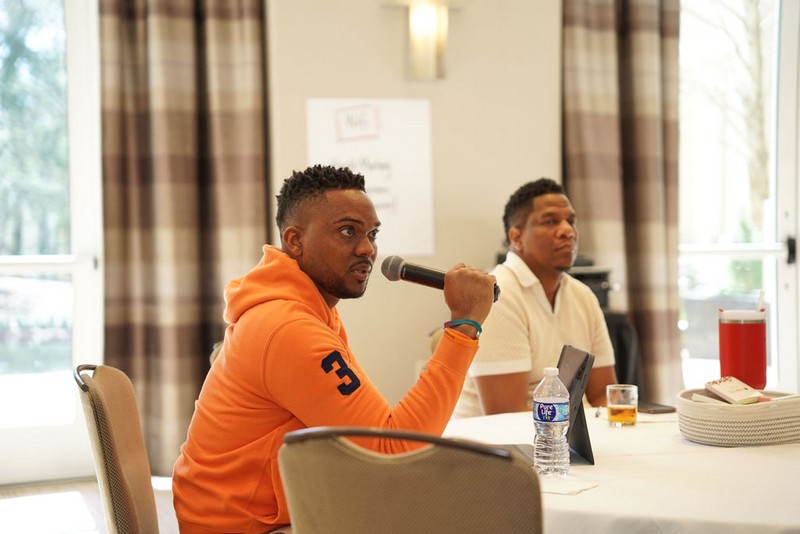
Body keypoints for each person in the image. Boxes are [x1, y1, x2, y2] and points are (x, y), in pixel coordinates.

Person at [172, 164, 496, 534]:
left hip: (264, 513)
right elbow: (394, 450)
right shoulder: (288, 328)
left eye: (372, 234)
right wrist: (464, 325)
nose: (367, 249)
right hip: (243, 527)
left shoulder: (308, 309)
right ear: (295, 241)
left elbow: (376, 438)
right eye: (347, 231)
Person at [453, 178, 617, 418]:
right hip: (497, 439)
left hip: (568, 433)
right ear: (516, 237)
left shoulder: (583, 296)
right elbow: (506, 415)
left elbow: (603, 395)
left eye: (571, 221)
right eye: (550, 221)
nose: (568, 231)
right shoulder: (497, 296)